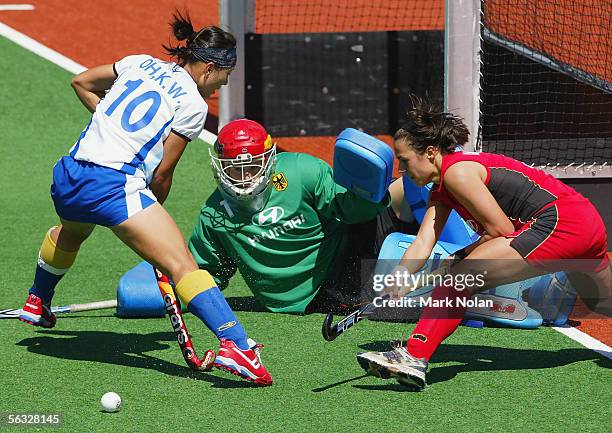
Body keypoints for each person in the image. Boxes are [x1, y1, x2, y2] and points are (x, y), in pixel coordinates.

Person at [19, 11, 272, 386]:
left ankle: (37, 301)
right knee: (182, 263)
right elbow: (163, 173)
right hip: (112, 187)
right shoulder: (193, 105)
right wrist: (153, 212)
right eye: (225, 75)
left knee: (71, 232)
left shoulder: (140, 63)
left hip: (69, 175)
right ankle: (237, 347)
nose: (224, 84)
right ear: (207, 67)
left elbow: (81, 81)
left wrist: (112, 124)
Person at [357, 95, 612, 390]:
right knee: (602, 302)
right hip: (585, 222)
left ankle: (414, 355)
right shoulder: (441, 189)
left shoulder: (457, 173)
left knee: (459, 279)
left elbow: (500, 229)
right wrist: (400, 276)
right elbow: (424, 241)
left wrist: (459, 259)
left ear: (429, 152)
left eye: (404, 160)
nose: (402, 170)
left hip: (560, 223)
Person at [188, 118, 417, 315]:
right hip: (336, 284)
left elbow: (347, 208)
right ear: (220, 168)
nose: (245, 177)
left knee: (410, 186)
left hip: (347, 252)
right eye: (234, 169)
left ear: (268, 161)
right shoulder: (213, 217)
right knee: (431, 299)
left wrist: (371, 192)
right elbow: (202, 274)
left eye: (253, 166)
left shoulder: (300, 170)